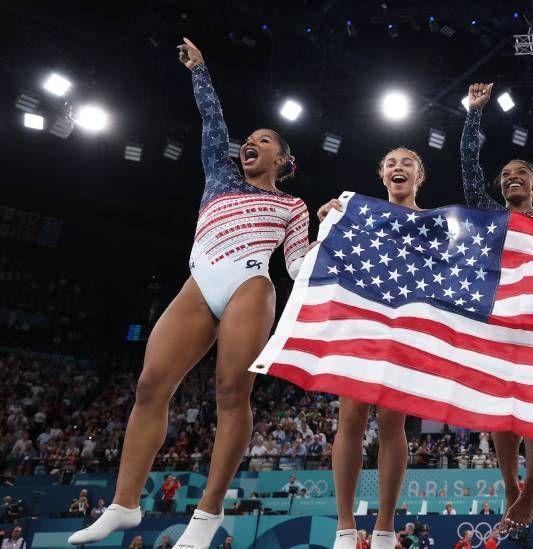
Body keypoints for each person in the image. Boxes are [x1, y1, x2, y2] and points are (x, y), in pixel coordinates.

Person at [69, 37, 312, 549]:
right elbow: (212, 124)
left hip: (251, 284)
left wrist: (329, 233)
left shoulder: (293, 205)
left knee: (231, 392)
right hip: (199, 282)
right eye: (249, 138)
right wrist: (200, 70)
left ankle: (207, 515)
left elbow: (296, 266)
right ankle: (123, 505)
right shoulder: (220, 176)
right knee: (150, 385)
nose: (251, 142)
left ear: (284, 160)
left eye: (265, 140)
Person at [459, 82, 533, 533]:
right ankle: (509, 486)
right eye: (505, 174)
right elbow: (468, 166)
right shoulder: (488, 213)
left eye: (519, 172)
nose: (510, 177)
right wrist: (473, 115)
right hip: (495, 313)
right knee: (501, 406)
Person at [315, 147, 428, 549]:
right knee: (352, 419)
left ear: (420, 176)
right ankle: (345, 527)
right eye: (391, 163)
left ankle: (384, 527)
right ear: (382, 175)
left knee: (392, 425)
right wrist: (329, 220)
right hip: (364, 322)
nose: (399, 167)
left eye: (407, 163)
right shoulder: (359, 216)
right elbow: (326, 256)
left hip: (406, 328)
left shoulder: (435, 224)